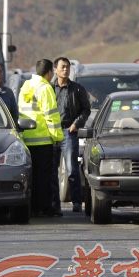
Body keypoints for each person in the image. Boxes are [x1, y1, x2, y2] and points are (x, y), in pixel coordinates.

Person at [18, 59, 64, 217]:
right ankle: (44, 207)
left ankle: (32, 206)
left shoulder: (26, 85)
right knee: (44, 177)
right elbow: (51, 115)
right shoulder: (45, 88)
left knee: (32, 176)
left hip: (26, 138)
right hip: (43, 140)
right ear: (49, 72)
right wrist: (57, 137)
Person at [52, 57, 91, 214]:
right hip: (52, 133)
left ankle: (76, 202)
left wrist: (76, 124)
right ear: (55, 70)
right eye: (62, 67)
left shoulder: (77, 89)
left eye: (67, 67)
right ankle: (54, 204)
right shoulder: (49, 89)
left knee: (71, 169)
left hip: (69, 131)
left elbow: (86, 109)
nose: (65, 70)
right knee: (52, 171)